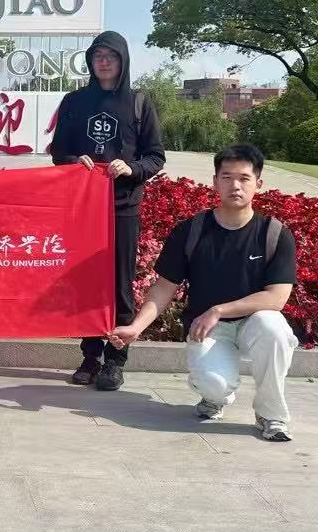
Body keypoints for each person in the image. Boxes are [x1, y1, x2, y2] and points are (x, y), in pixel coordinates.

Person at [107, 144, 299, 442]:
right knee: (215, 385)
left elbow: (276, 298)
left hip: (253, 324)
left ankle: (271, 415)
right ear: (215, 182)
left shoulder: (274, 234)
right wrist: (136, 327)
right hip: (208, 330)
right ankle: (214, 397)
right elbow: (164, 287)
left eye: (244, 178)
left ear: (258, 184)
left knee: (273, 327)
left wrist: (218, 310)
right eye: (227, 177)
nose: (235, 186)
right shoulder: (192, 231)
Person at [50, 31, 166, 390]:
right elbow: (58, 152)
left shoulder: (138, 103)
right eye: (98, 55)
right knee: (86, 283)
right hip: (84, 208)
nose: (103, 62)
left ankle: (116, 360)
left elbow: (155, 156)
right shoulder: (74, 101)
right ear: (90, 60)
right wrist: (75, 160)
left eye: (110, 56)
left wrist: (132, 168)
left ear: (122, 61)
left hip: (123, 207)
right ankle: (90, 356)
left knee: (120, 284)